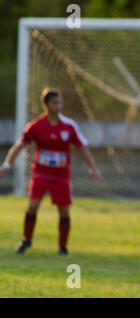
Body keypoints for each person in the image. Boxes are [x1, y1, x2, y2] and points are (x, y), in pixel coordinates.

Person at [0, 88, 102, 256]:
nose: (58, 106)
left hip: (61, 176)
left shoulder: (69, 126)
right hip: (40, 173)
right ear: (46, 105)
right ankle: (27, 239)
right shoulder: (36, 126)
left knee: (64, 211)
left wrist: (92, 166)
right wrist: (6, 164)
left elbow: (82, 148)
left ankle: (62, 247)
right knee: (33, 206)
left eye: (60, 102)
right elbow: (20, 146)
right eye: (55, 103)